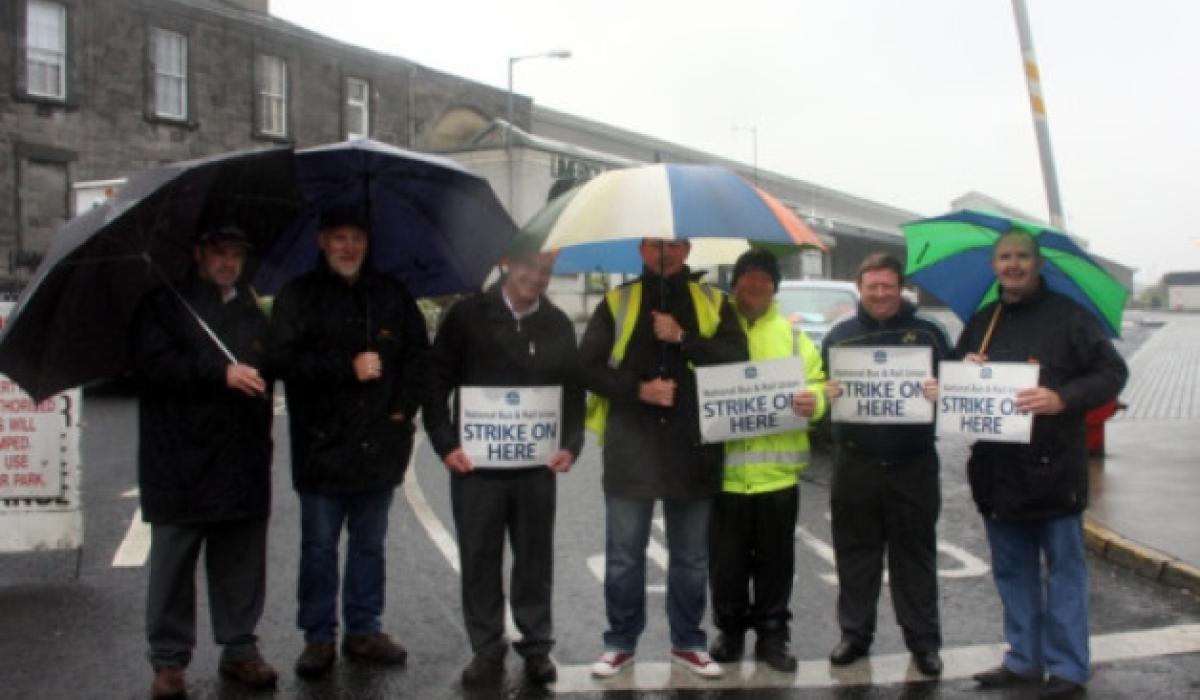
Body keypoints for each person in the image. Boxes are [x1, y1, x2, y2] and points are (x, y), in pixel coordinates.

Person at [958, 230, 1127, 700]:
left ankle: (1069, 666)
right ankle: (1023, 660)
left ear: (1038, 264)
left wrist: (1062, 397)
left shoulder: (1072, 319)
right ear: (994, 266)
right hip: (996, 469)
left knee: (1064, 572)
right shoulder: (983, 321)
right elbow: (954, 378)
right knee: (1012, 572)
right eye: (1005, 257)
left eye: (1022, 257)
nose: (1013, 265)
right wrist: (963, 365)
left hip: (1054, 468)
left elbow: (1113, 374)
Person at [269, 205, 432, 679]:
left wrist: (402, 409)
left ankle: (364, 627)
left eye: (356, 237)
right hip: (321, 447)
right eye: (338, 237)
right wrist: (346, 366)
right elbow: (279, 359)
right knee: (319, 547)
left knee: (369, 545)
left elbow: (418, 358)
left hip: (379, 445)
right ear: (322, 242)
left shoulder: (391, 295)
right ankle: (318, 636)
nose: (348, 246)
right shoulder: (298, 296)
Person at [579, 238, 748, 679]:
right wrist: (639, 390)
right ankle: (620, 643)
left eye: (674, 245)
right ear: (642, 248)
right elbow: (587, 368)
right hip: (630, 452)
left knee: (691, 558)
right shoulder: (617, 301)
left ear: (687, 249)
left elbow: (737, 359)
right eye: (656, 245)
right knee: (624, 557)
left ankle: (688, 642)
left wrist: (683, 338)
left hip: (695, 452)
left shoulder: (714, 301)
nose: (665, 253)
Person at [424, 250, 585, 688]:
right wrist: (445, 444)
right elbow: (435, 383)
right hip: (476, 468)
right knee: (479, 558)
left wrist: (571, 445)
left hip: (536, 467)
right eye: (531, 267)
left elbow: (573, 392)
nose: (538, 277)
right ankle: (486, 649)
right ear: (507, 264)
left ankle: (536, 647)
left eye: (547, 271)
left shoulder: (556, 323)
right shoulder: (466, 316)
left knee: (534, 558)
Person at [132, 225, 277, 699]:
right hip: (178, 461)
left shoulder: (252, 312)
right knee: (174, 567)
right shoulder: (163, 305)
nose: (228, 262)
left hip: (240, 461)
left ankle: (240, 649)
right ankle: (169, 661)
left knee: (239, 563)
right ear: (198, 253)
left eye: (236, 254)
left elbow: (269, 370)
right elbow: (153, 368)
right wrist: (219, 373)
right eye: (220, 252)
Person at [820, 253, 951, 677]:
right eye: (872, 286)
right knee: (856, 555)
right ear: (860, 287)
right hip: (855, 463)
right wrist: (827, 394)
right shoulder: (838, 338)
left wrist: (942, 390)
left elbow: (959, 392)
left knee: (915, 555)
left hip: (912, 462)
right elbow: (823, 401)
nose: (880, 294)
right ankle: (855, 635)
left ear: (900, 289)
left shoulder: (930, 333)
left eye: (887, 287)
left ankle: (924, 642)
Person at [707, 249, 826, 673]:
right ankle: (731, 632)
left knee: (777, 565)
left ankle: (774, 637)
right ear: (734, 283)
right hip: (727, 476)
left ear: (774, 286)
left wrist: (816, 402)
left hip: (777, 477)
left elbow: (818, 387)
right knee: (726, 565)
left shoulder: (795, 338)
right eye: (746, 277)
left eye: (762, 278)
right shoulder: (714, 330)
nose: (754, 285)